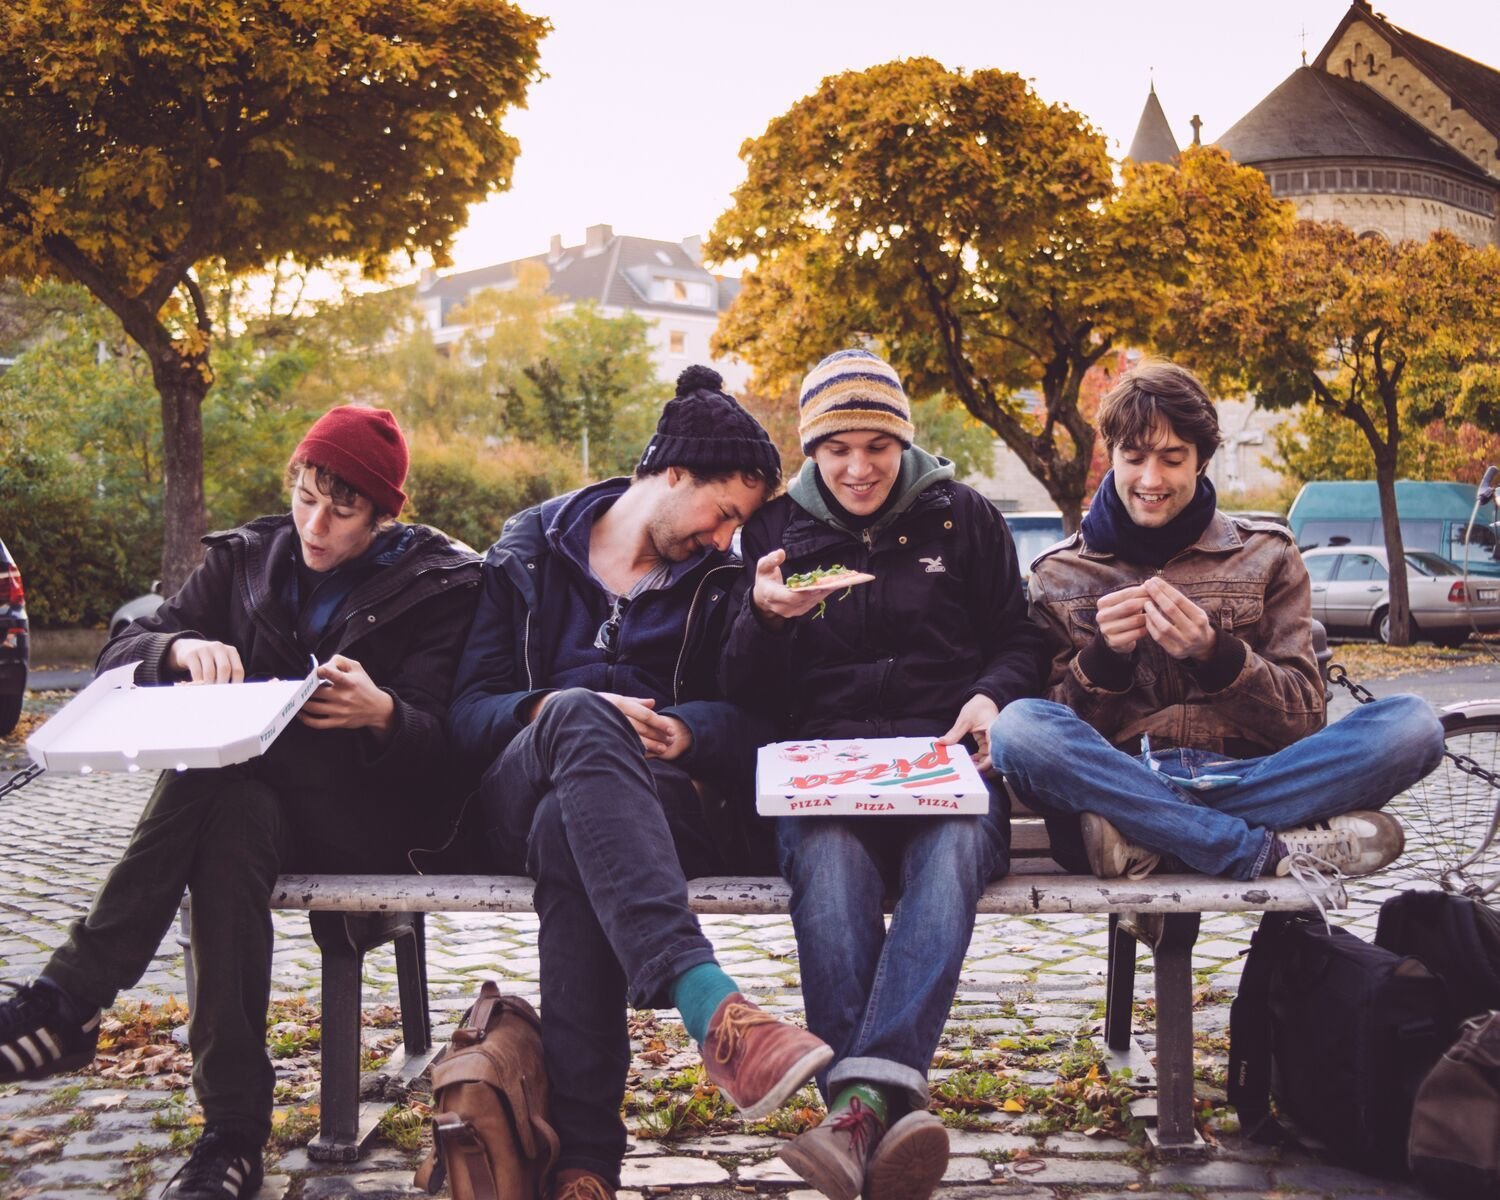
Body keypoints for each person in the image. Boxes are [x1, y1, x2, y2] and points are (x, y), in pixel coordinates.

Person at [0, 406, 482, 1198]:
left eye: (341, 508)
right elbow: (120, 651)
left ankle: (72, 1001)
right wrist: (176, 649)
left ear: (385, 513)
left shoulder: (439, 584)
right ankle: (229, 1137)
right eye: (303, 496)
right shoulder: (246, 557)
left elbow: (455, 739)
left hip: (366, 820)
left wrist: (386, 714)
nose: (314, 524)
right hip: (255, 816)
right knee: (227, 811)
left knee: (217, 778)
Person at [447, 366, 832, 1200]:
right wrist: (553, 708)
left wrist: (690, 731)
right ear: (669, 474)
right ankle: (710, 1005)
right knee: (580, 716)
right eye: (722, 512)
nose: (726, 538)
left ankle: (587, 1165)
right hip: (514, 791)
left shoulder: (729, 585)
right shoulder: (528, 553)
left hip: (667, 809)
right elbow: (467, 714)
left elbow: (767, 726)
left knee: (569, 832)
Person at [720, 348, 1047, 1200]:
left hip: (942, 761)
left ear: (905, 440)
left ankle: (855, 1110)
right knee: (826, 866)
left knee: (952, 856)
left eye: (877, 445)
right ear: (811, 451)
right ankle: (878, 1108)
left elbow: (1019, 639)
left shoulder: (963, 516)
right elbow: (737, 689)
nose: (858, 467)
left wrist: (989, 695)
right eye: (837, 448)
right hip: (822, 775)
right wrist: (763, 620)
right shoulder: (772, 537)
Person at [992, 361, 1444, 883]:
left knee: (1413, 725)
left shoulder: (1266, 554)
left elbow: (1302, 719)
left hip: (1249, 777)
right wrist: (1104, 660)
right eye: (1133, 458)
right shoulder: (1059, 572)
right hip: (1122, 778)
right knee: (1017, 727)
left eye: (1172, 458)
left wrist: (1215, 653)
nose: (1150, 479)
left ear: (1202, 460)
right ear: (1112, 456)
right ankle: (1253, 850)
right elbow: (1049, 743)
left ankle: (1157, 838)